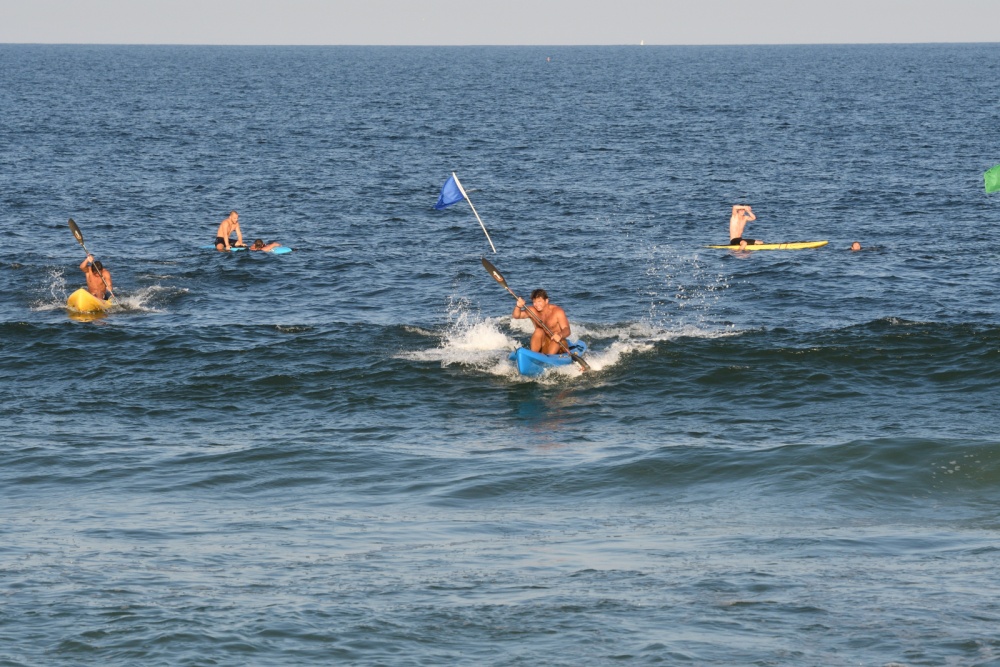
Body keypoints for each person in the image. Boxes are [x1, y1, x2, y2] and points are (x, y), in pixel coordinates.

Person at [512, 289, 572, 355]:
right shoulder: (532, 311)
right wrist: (518, 307)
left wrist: (560, 335)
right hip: (545, 345)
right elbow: (516, 316)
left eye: (539, 301)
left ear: (546, 301)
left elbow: (567, 330)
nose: (536, 304)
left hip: (559, 345)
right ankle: (533, 355)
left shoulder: (557, 311)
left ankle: (549, 359)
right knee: (539, 331)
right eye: (534, 302)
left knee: (555, 336)